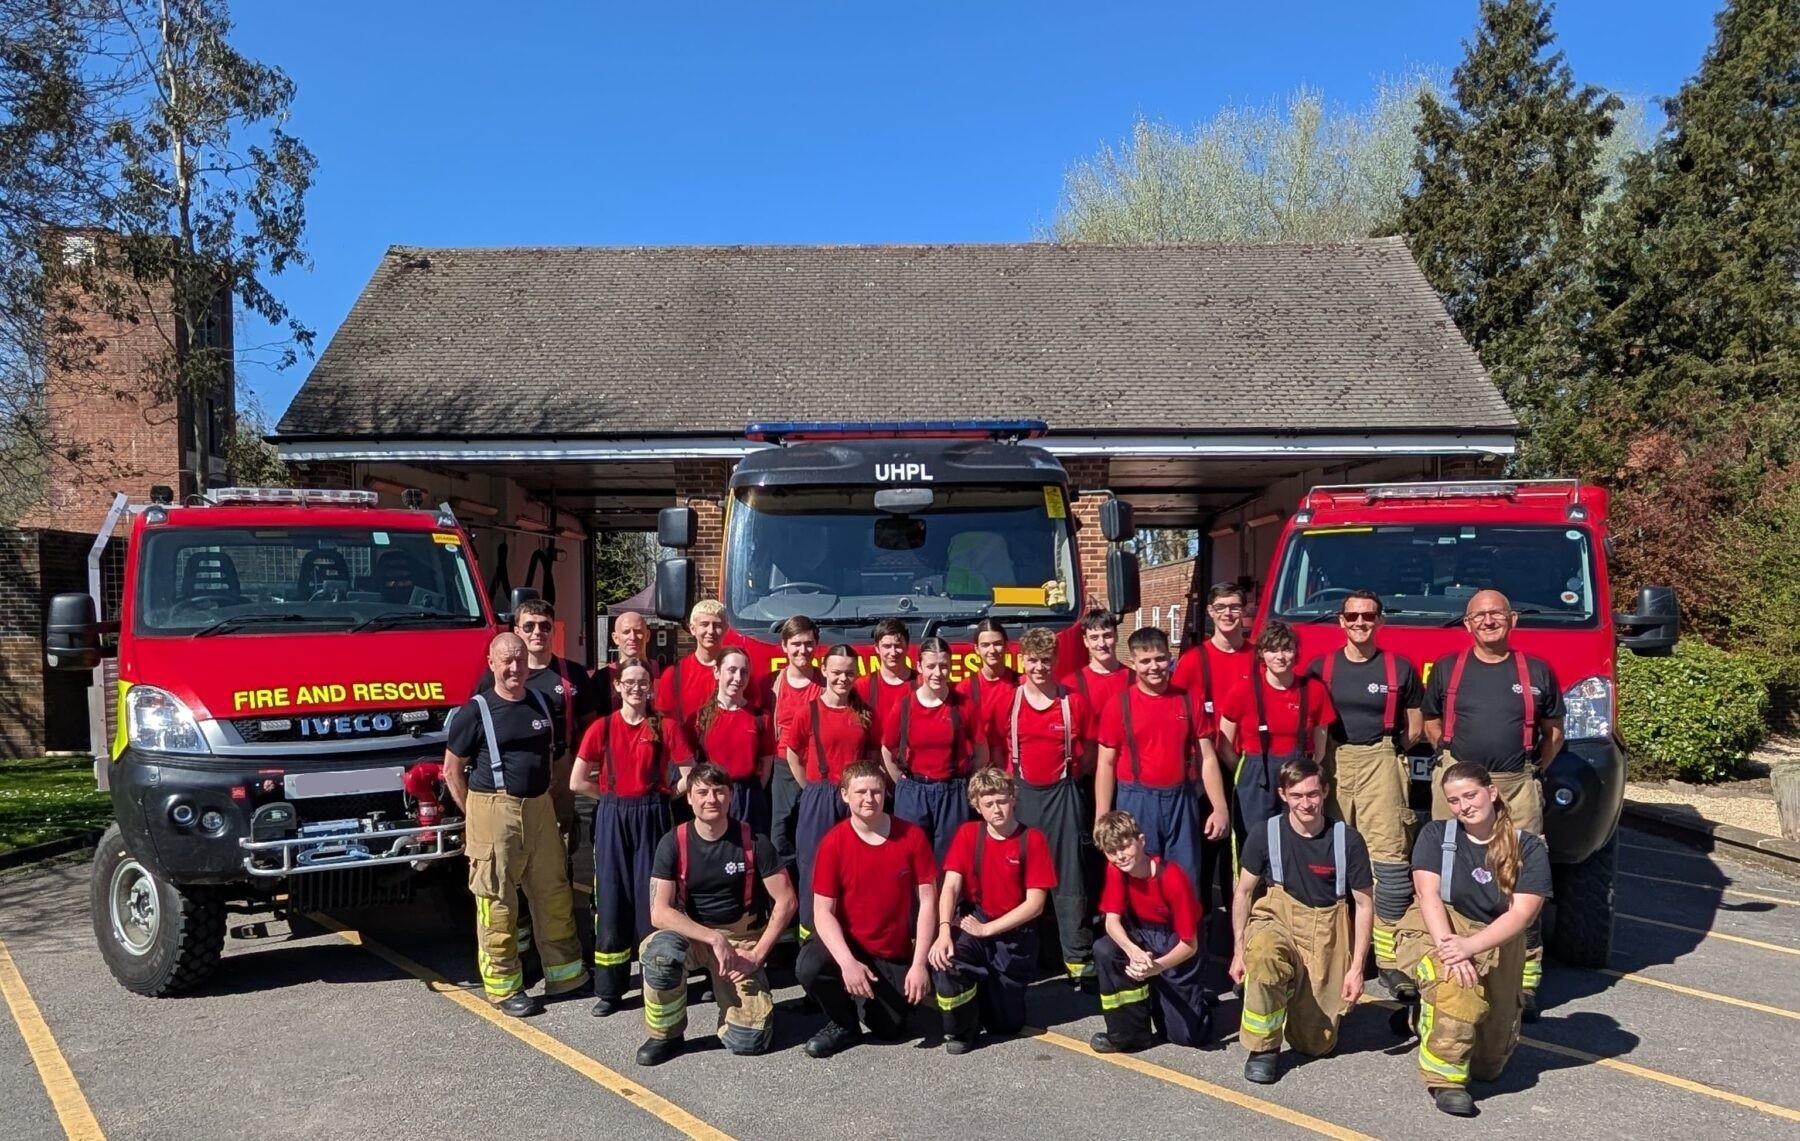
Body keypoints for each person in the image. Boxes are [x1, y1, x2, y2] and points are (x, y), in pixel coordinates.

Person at [1422, 589, 1564, 1017]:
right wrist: (1457, 772)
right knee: (1446, 873)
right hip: (1457, 784)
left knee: (1524, 882)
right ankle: (1448, 958)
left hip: (1515, 784)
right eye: (1478, 615)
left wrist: (1531, 767)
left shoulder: (1537, 671)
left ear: (1512, 619)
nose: (1488, 621)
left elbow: (1553, 731)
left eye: (1496, 614)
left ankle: (1525, 980)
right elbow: (1430, 723)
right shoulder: (1448, 670)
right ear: (1467, 624)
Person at [442, 633, 587, 1016]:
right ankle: (505, 988)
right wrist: (474, 813)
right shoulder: (476, 711)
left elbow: (556, 759)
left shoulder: (541, 701)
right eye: (506, 661)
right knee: (497, 903)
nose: (514, 668)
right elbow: (451, 771)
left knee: (553, 891)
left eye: (519, 660)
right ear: (491, 663)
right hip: (493, 811)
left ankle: (565, 974)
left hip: (540, 808)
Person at [1396, 761, 1552, 1117]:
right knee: (1454, 985)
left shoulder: (1527, 848)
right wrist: (1453, 949)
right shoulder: (1436, 835)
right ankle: (1445, 1081)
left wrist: (1472, 947)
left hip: (1495, 938)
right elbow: (1428, 895)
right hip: (1439, 927)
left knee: (1488, 1065)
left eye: (1470, 795)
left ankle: (1421, 1015)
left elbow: (1522, 914)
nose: (1464, 806)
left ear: (1491, 793)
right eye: (1454, 800)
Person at [634, 762, 797, 1066]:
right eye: (703, 792)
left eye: (719, 791)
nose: (711, 799)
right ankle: (666, 1034)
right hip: (694, 935)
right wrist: (712, 938)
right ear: (690, 799)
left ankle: (736, 1012)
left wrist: (758, 954)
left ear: (731, 796)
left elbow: (786, 901)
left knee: (749, 1042)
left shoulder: (754, 842)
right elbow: (659, 912)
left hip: (742, 941)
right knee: (660, 955)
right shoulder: (673, 843)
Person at [1307, 590, 1424, 996]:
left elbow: (1414, 730)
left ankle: (1388, 960)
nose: (1360, 623)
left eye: (1368, 616)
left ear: (1380, 620)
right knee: (1329, 859)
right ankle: (1334, 952)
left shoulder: (1401, 669)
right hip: (1333, 761)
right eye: (1352, 616)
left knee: (1389, 863)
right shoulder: (1320, 668)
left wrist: (1387, 754)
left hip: (1382, 759)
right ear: (1341, 621)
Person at [1229, 758, 1374, 1085]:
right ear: (1283, 794)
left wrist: (1356, 967)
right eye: (1297, 796)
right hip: (1277, 920)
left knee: (1316, 1044)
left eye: (1312, 794)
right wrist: (1239, 950)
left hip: (1326, 930)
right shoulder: (1265, 834)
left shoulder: (1347, 841)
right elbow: (1243, 893)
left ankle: (1306, 998)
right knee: (1264, 954)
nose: (1305, 803)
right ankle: (1264, 1048)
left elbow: (1364, 905)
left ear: (1325, 791)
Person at [795, 761, 939, 1058]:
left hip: (891, 951)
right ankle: (843, 1023)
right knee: (809, 965)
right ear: (845, 795)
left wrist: (919, 964)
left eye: (876, 791)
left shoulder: (911, 836)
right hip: (848, 947)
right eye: (860, 792)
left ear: (886, 793)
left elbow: (928, 902)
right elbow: (823, 912)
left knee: (891, 1030)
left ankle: (868, 998)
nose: (869, 799)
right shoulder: (833, 842)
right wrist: (847, 962)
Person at [572, 657, 674, 1016]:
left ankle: (655, 981)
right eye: (628, 682)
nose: (636, 688)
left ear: (651, 687)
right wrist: (611, 799)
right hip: (613, 815)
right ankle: (610, 990)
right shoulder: (602, 727)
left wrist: (667, 792)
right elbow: (577, 779)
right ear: (617, 686)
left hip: (651, 814)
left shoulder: (664, 726)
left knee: (652, 902)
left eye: (642, 682)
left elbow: (690, 772)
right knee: (612, 899)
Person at [928, 767, 1055, 1053]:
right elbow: (950, 887)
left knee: (1005, 1025)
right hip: (977, 919)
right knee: (946, 959)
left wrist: (988, 930)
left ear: (1013, 798)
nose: (996, 809)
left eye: (1001, 800)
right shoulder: (968, 834)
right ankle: (962, 1030)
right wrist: (944, 930)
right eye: (988, 804)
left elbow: (1035, 905)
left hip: (1014, 935)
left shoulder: (1032, 839)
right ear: (977, 807)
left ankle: (991, 997)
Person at [998, 626, 1096, 987]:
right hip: (1022, 795)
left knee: (1070, 879)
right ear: (1022, 661)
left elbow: (1091, 752)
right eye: (1033, 660)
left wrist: (1067, 778)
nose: (1039, 667)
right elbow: (995, 749)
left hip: (1063, 794)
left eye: (1046, 660)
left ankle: (1077, 960)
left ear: (1056, 661)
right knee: (1017, 876)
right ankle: (1019, 956)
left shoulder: (1073, 702)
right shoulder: (1009, 701)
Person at [1095, 627, 1229, 891]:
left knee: (1184, 879)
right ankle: (1142, 933)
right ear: (1133, 662)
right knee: (1139, 879)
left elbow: (1208, 758)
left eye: (1159, 658)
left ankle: (1187, 933)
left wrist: (1220, 807)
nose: (1153, 667)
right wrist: (1102, 816)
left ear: (1170, 657)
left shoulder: (1188, 700)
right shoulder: (1118, 704)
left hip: (1182, 801)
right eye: (1145, 661)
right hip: (1136, 801)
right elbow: (1105, 763)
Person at [478, 597, 598, 845]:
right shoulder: (496, 677)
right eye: (529, 626)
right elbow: (477, 722)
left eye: (545, 626)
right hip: (510, 772)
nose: (537, 632)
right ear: (516, 630)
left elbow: (590, 726)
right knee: (514, 840)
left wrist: (578, 763)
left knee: (560, 841)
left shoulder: (572, 674)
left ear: (553, 629)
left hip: (559, 768)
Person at [1088, 809, 1209, 1054]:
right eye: (1112, 852)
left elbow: (1190, 944)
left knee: (1186, 1036)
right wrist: (1133, 952)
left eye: (1125, 846)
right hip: (1143, 932)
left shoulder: (1172, 878)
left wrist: (1158, 967)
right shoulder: (1116, 871)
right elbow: (1112, 922)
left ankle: (1199, 1006)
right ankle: (1128, 1034)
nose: (1120, 857)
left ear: (1141, 841)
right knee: (1105, 950)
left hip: (1176, 940)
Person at [1217, 620, 1335, 860]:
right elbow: (1223, 742)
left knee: (1300, 835)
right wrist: (1243, 769)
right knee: (1254, 839)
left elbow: (1321, 742)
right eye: (1273, 650)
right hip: (1255, 772)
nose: (1280, 656)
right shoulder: (1243, 690)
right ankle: (1255, 893)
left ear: (1296, 652)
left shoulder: (1313, 690)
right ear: (1262, 653)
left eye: (1287, 649)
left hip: (1298, 773)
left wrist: (1309, 770)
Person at [1173, 582, 1259, 907]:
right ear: (1210, 612)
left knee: (1247, 853)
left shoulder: (1258, 658)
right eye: (1221, 607)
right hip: (1207, 773)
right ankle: (1205, 927)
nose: (1228, 614)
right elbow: (1177, 712)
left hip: (1249, 770)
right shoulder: (1194, 662)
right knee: (1207, 852)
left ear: (1245, 611)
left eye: (1234, 607)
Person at [786, 644, 879, 935]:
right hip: (820, 796)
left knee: (858, 866)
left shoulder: (864, 713)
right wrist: (813, 790)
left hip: (857, 799)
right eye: (836, 672)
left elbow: (873, 756)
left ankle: (854, 930)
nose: (842, 678)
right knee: (814, 865)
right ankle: (811, 933)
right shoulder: (808, 712)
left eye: (849, 673)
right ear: (824, 670)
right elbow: (793, 755)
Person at [885, 636, 984, 864]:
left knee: (950, 861)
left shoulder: (964, 705)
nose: (937, 673)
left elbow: (982, 751)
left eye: (943, 666)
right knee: (911, 858)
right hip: (913, 792)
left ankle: (950, 901)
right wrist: (901, 784)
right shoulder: (904, 706)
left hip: (952, 792)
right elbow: (886, 749)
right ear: (919, 667)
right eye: (931, 666)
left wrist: (966, 785)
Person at [676, 646, 776, 838]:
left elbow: (766, 765)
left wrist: (746, 794)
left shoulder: (761, 718)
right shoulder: (698, 718)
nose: (738, 678)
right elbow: (689, 763)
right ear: (717, 672)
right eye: (731, 670)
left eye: (744, 672)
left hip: (748, 797)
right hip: (711, 796)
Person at [758, 616, 821, 873]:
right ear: (784, 646)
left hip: (816, 768)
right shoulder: (770, 684)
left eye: (808, 643)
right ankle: (783, 899)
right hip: (781, 768)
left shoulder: (826, 683)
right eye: (796, 644)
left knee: (813, 832)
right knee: (779, 833)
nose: (802, 650)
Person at [657, 599, 746, 726]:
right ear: (692, 629)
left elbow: (751, 716)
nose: (711, 631)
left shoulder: (739, 673)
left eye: (718, 625)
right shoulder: (673, 675)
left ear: (726, 629)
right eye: (704, 624)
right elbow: (666, 723)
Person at [956, 618, 1017, 752]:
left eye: (997, 644)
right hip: (981, 766)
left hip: (1014, 765)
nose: (992, 650)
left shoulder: (1020, 684)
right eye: (985, 645)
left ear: (1006, 646)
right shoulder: (965, 689)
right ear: (976, 649)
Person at [1063, 607, 1132, 725]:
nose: (1101, 644)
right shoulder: (1071, 684)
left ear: (1116, 636)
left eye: (1107, 636)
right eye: (1094, 638)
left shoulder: (1135, 679)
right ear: (1085, 641)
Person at [855, 617, 916, 739]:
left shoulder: (921, 684)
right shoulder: (861, 686)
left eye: (897, 645)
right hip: (873, 756)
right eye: (887, 646)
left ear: (907, 646)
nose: (893, 652)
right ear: (877, 648)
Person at [594, 610, 659, 716]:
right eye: (626, 632)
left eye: (638, 631)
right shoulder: (601, 679)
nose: (632, 637)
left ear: (647, 635)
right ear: (615, 638)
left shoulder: (665, 673)